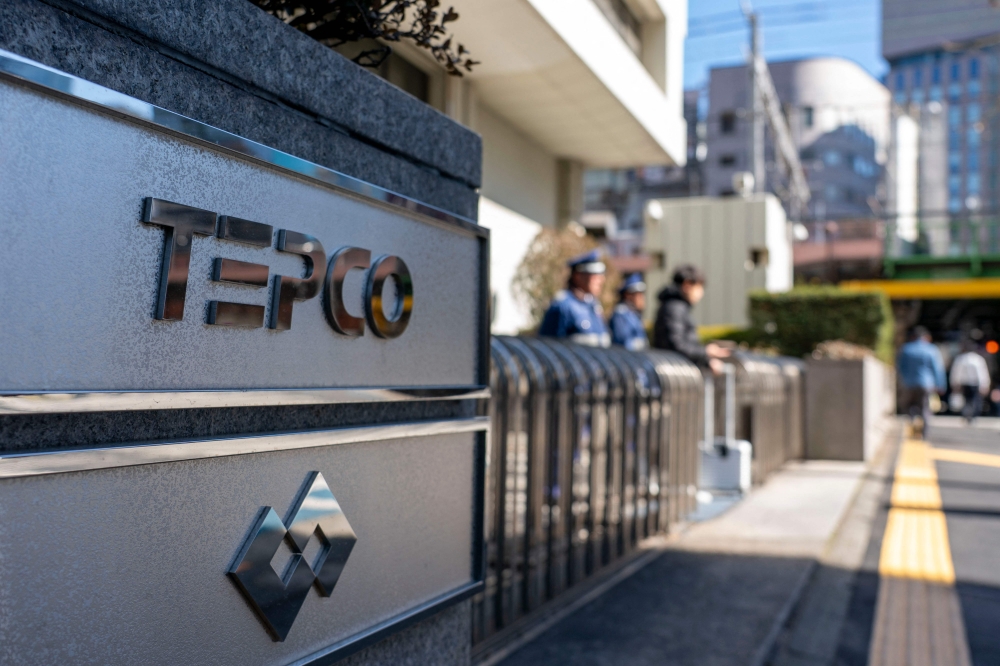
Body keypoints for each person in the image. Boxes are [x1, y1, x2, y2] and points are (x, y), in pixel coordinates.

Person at [652, 264, 730, 373]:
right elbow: (676, 345)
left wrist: (707, 360)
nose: (701, 293)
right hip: (674, 372)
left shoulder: (677, 307)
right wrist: (706, 351)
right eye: (699, 287)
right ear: (687, 285)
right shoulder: (674, 308)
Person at [538, 250, 611, 347]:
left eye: (601, 276)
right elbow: (549, 347)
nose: (601, 281)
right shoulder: (563, 306)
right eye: (595, 277)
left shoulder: (593, 305)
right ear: (578, 276)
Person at [897, 326, 946, 439]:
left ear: (913, 337)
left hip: (909, 383)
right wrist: (940, 384)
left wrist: (903, 380)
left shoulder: (906, 349)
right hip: (926, 383)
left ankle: (912, 425)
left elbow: (901, 367)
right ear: (926, 337)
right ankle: (924, 433)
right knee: (924, 408)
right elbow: (937, 369)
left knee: (909, 406)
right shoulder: (931, 349)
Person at [950, 341, 991, 424]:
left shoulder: (961, 359)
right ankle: (973, 416)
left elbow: (956, 373)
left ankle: (967, 415)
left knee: (967, 400)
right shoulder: (978, 359)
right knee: (975, 400)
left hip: (964, 383)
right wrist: (985, 384)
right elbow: (982, 373)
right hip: (975, 383)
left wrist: (955, 383)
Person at [609, 273, 649, 351]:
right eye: (638, 294)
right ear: (627, 295)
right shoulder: (620, 315)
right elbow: (624, 344)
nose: (642, 298)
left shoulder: (634, 314)